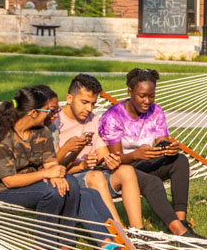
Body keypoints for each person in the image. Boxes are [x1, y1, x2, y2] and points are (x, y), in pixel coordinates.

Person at [0, 84, 115, 250]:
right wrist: (48, 173)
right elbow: (10, 181)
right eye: (47, 111)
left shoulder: (41, 131)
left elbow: (50, 161)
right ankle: (44, 245)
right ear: (32, 113)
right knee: (51, 192)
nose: (53, 114)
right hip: (0, 190)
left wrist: (56, 174)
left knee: (72, 184)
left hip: (31, 184)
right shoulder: (2, 138)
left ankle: (69, 244)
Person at [98, 67, 197, 237]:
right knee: (152, 182)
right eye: (142, 96)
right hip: (121, 169)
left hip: (143, 162)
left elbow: (162, 140)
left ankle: (181, 221)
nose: (147, 101)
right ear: (130, 92)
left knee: (180, 160)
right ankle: (177, 230)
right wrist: (136, 155)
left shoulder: (156, 111)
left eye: (151, 96)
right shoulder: (113, 117)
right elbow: (115, 160)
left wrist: (169, 148)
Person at [53, 73, 144, 228]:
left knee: (126, 171)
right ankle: (120, 232)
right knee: (96, 176)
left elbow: (102, 155)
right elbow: (52, 166)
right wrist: (80, 162)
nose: (89, 108)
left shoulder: (93, 121)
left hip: (92, 174)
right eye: (84, 102)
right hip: (67, 180)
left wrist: (109, 161)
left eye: (93, 104)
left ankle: (138, 230)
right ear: (69, 98)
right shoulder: (55, 122)